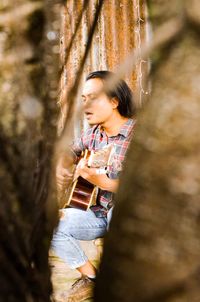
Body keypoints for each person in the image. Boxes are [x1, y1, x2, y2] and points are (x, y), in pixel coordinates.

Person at [51, 70, 136, 301]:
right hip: (99, 214)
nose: (86, 105)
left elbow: (153, 184)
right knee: (51, 224)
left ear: (114, 102)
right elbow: (69, 152)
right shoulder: (93, 135)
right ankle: (92, 280)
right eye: (83, 98)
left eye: (93, 98)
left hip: (130, 218)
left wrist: (105, 182)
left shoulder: (139, 135)